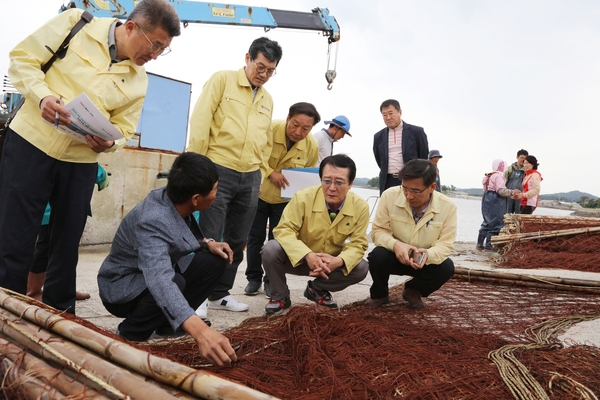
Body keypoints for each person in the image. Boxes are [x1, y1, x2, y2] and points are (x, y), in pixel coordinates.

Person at [0, 0, 181, 314]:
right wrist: (41, 95)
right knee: (14, 238)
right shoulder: (76, 23)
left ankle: (60, 318)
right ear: (130, 27)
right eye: (154, 45)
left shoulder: (139, 81)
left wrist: (108, 144)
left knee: (66, 245)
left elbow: (124, 128)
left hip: (80, 162)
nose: (153, 56)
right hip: (31, 143)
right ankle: (8, 317)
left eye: (163, 50)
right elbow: (22, 59)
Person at [98, 152, 237, 367]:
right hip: (122, 287)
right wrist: (201, 332)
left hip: (151, 275)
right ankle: (130, 334)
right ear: (196, 199)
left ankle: (166, 324)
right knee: (174, 281)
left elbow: (176, 234)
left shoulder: (173, 198)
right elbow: (159, 279)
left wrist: (207, 243)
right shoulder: (151, 220)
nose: (216, 194)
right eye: (215, 189)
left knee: (215, 261)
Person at [187, 37, 283, 315]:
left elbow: (264, 140)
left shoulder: (267, 99)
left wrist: (261, 173)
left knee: (238, 239)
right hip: (218, 167)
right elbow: (201, 120)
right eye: (260, 67)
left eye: (270, 71)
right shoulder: (222, 80)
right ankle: (198, 295)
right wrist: (198, 166)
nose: (263, 75)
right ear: (248, 58)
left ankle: (220, 293)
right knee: (209, 235)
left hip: (251, 175)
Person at [261, 154, 370, 315]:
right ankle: (280, 296)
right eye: (326, 181)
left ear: (350, 184)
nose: (332, 188)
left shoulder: (360, 206)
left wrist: (338, 261)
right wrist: (307, 255)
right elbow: (283, 230)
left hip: (329, 265)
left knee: (361, 267)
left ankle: (317, 289)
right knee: (270, 248)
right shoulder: (303, 197)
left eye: (339, 182)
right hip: (297, 259)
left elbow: (358, 244)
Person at [244, 102, 320, 297]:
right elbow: (254, 154)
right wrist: (271, 173)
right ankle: (253, 278)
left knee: (278, 241)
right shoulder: (269, 128)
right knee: (254, 237)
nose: (298, 131)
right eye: (295, 124)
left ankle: (271, 280)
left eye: (306, 128)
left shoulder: (311, 144)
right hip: (259, 193)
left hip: (285, 200)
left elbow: (308, 172)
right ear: (287, 118)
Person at [367, 159, 456, 310]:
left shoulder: (448, 207)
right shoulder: (389, 196)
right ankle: (379, 294)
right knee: (377, 256)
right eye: (405, 189)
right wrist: (395, 245)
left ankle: (414, 290)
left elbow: (445, 244)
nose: (409, 196)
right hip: (394, 255)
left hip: (423, 260)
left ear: (432, 187)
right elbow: (378, 231)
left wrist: (428, 254)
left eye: (415, 191)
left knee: (447, 267)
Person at [27, 165, 110, 301]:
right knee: (45, 250)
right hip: (52, 211)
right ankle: (33, 290)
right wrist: (104, 177)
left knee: (67, 252)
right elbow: (99, 174)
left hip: (66, 209)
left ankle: (65, 289)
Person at [373, 99, 429, 194]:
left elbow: (423, 158)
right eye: (384, 115)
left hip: (410, 180)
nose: (388, 117)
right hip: (387, 181)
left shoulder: (417, 132)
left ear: (400, 112)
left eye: (391, 113)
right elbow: (380, 161)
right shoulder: (378, 136)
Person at [476, 159, 520, 251]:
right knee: (496, 223)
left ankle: (479, 245)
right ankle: (489, 247)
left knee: (487, 221)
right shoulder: (498, 177)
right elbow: (501, 191)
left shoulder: (488, 176)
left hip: (486, 199)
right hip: (496, 201)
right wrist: (512, 192)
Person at [504, 149, 529, 214]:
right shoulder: (509, 169)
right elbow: (503, 182)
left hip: (521, 196)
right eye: (521, 158)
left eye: (525, 158)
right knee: (507, 214)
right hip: (509, 195)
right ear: (517, 157)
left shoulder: (527, 171)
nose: (523, 160)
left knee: (518, 215)